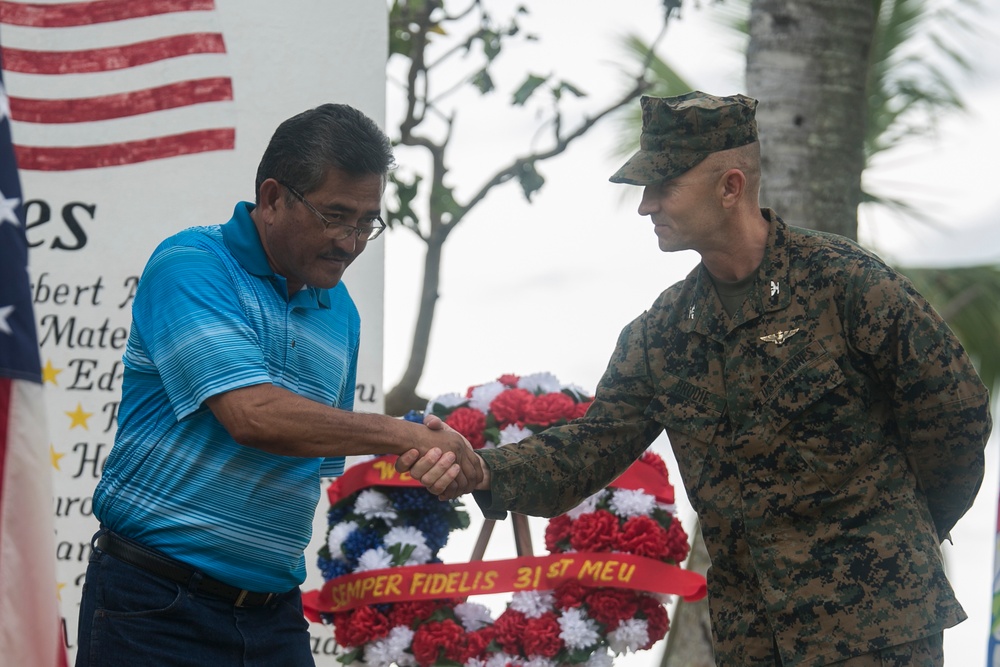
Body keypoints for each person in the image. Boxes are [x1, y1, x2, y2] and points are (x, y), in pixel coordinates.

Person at [400, 91, 993, 666]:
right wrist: (483, 467)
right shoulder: (662, 332)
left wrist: (895, 538)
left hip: (875, 627)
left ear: (730, 186)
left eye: (665, 186)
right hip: (751, 638)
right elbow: (587, 449)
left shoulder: (847, 285)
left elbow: (956, 420)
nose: (646, 205)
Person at [77, 103, 482, 667]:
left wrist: (428, 451)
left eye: (368, 221)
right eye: (336, 214)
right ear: (272, 198)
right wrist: (400, 433)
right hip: (154, 607)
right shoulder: (191, 263)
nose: (352, 240)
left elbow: (311, 447)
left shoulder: (342, 312)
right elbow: (254, 416)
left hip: (274, 618)